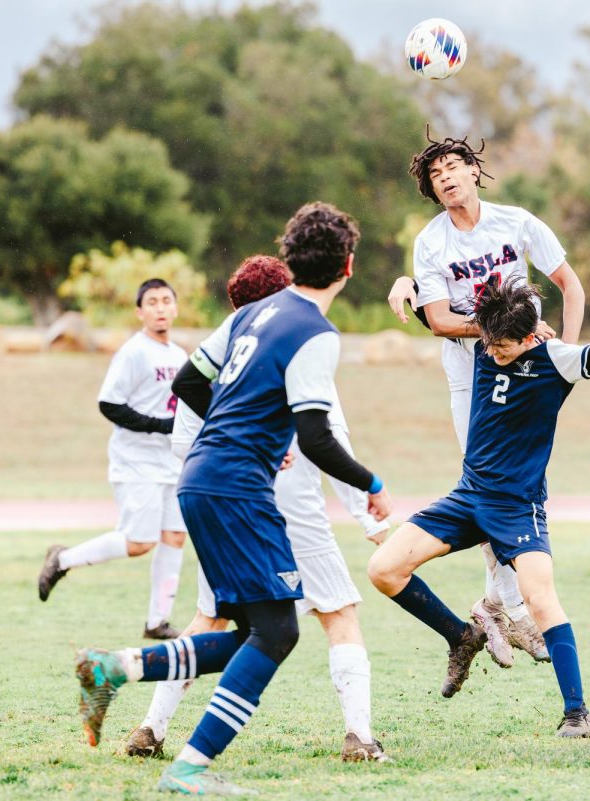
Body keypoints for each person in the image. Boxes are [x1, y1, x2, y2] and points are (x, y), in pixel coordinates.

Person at [72, 202, 393, 796]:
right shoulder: (318, 334)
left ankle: (115, 668)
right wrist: (371, 485)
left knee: (255, 630)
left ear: (289, 257)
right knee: (277, 634)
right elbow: (318, 435)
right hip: (238, 487)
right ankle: (189, 768)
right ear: (348, 266)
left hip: (198, 479)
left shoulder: (254, 314)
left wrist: (235, 425)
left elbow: (191, 383)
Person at [368, 278, 590, 737]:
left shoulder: (555, 359)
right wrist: (408, 286)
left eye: (502, 347)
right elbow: (436, 319)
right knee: (383, 569)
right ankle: (462, 636)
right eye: (489, 344)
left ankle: (578, 714)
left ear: (527, 337)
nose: (493, 353)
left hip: (519, 507)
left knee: (541, 599)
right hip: (467, 498)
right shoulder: (489, 340)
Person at [385, 131, 587, 668]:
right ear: (432, 189)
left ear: (475, 170)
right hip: (469, 378)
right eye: (435, 173)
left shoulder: (517, 222)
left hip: (529, 371)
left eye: (454, 165)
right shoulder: (432, 242)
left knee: (527, 488)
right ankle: (512, 607)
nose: (446, 175)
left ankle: (498, 603)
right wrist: (502, 328)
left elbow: (571, 286)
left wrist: (559, 350)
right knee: (490, 488)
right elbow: (438, 322)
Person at [37, 278, 187, 640]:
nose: (160, 307)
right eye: (152, 302)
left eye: (166, 300)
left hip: (173, 462)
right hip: (137, 461)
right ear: (140, 312)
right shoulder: (134, 352)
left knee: (175, 537)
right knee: (139, 543)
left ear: (176, 308)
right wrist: (159, 426)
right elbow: (109, 404)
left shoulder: (181, 356)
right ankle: (63, 559)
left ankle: (156, 622)